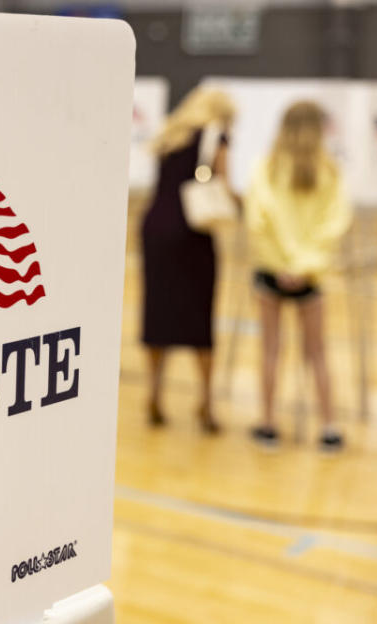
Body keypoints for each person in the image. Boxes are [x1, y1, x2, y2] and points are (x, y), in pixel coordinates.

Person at [244, 101, 352, 450]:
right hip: (311, 275)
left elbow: (260, 217)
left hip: (272, 271)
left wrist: (284, 263)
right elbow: (334, 223)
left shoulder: (267, 168)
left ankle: (268, 423)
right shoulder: (330, 172)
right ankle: (329, 427)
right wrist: (304, 264)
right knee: (317, 351)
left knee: (271, 350)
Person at [141, 88, 236, 433]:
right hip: (192, 232)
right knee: (199, 319)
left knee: (158, 315)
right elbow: (224, 185)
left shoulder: (170, 131)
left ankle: (153, 394)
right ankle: (206, 404)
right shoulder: (215, 135)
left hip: (155, 227)